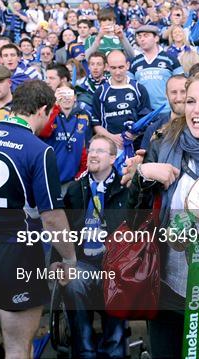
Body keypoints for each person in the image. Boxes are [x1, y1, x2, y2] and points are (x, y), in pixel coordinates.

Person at [125, 70, 199, 358]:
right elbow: (134, 218)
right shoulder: (163, 143)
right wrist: (143, 174)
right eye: (191, 101)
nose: (197, 110)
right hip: (165, 289)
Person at [0, 80, 76, 359]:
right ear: (43, 109)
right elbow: (53, 218)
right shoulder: (38, 149)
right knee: (18, 348)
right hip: (14, 252)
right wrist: (69, 259)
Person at [61, 135, 128, 358]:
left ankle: (113, 351)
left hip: (115, 263)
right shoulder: (75, 189)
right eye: (91, 150)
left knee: (117, 280)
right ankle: (85, 351)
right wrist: (56, 261)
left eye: (100, 151)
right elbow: (63, 230)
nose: (93, 154)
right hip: (83, 262)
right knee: (73, 280)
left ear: (112, 158)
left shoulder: (125, 189)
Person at [92, 50, 150, 150]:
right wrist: (112, 137)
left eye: (121, 67)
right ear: (107, 67)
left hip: (135, 146)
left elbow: (146, 119)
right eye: (113, 68)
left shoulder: (139, 89)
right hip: (109, 146)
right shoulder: (101, 91)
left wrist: (134, 135)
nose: (117, 72)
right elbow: (96, 124)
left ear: (127, 65)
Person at [39, 82, 90, 194]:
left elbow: (84, 146)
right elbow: (44, 132)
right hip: (49, 178)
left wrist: (81, 173)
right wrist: (55, 107)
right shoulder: (50, 114)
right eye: (62, 94)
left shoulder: (84, 117)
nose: (66, 98)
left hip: (72, 180)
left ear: (75, 97)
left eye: (69, 94)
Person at [130, 25, 183, 112]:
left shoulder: (170, 59)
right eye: (139, 36)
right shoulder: (134, 62)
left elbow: (181, 84)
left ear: (156, 38)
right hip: (143, 113)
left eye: (146, 35)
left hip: (167, 111)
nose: (142, 39)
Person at [140, 74, 188, 150]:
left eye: (183, 92)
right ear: (166, 95)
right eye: (174, 92)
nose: (179, 98)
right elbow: (146, 159)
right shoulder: (153, 129)